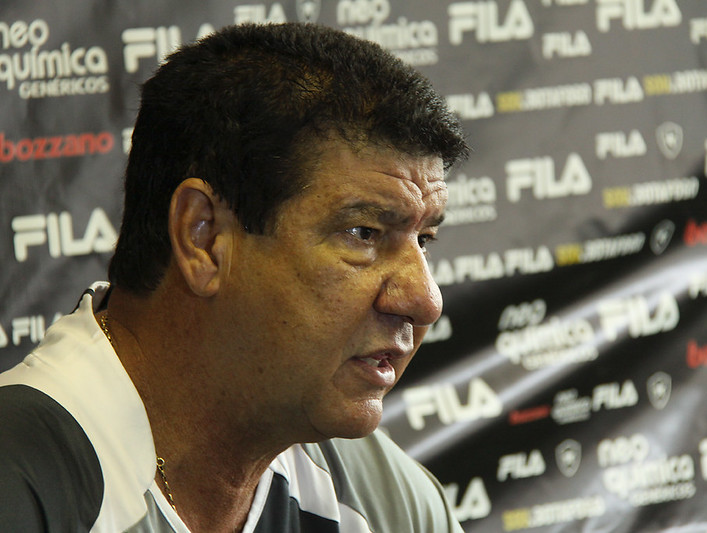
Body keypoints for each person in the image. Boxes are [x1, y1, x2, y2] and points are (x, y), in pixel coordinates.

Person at [0, 22, 469, 532]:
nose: (425, 300)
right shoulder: (22, 483)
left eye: (424, 240)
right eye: (363, 233)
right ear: (203, 238)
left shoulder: (390, 504)